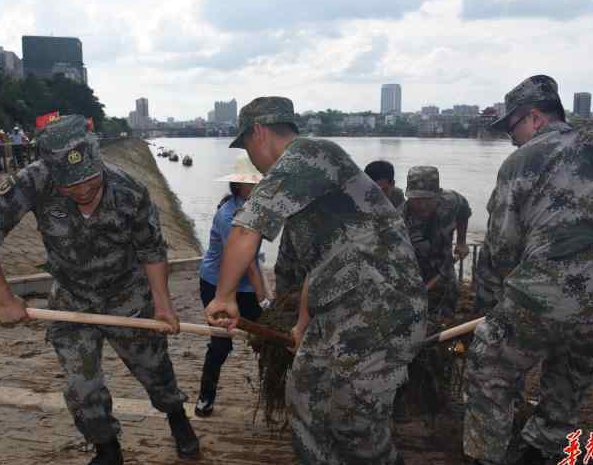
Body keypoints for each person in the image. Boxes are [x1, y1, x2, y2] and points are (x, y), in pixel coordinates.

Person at [0, 115, 199, 464]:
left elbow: (152, 251)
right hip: (72, 300)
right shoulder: (32, 182)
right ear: (51, 172)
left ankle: (177, 418)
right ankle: (107, 448)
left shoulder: (130, 189)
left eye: (90, 180)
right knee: (81, 386)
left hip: (127, 297)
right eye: (70, 186)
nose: (83, 191)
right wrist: (2, 297)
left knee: (154, 369)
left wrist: (163, 306)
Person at [204, 97, 426, 465]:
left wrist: (223, 296)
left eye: (246, 147)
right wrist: (302, 326)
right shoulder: (306, 186)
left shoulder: (310, 155)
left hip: (384, 312)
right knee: (304, 396)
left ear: (258, 133)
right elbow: (318, 265)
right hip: (342, 309)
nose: (253, 160)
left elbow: (246, 230)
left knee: (357, 425)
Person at [463, 75, 593, 465]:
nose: (511, 138)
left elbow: (502, 248)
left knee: (490, 368)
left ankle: (486, 457)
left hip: (544, 294)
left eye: (511, 127)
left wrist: (496, 301)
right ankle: (543, 448)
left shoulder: (519, 163)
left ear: (534, 118)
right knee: (569, 378)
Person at [195, 154, 269, 418]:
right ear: (239, 186)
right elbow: (246, 262)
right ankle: (205, 396)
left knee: (268, 339)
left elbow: (254, 264)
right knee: (221, 343)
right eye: (253, 183)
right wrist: (265, 301)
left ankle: (274, 394)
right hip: (218, 285)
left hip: (247, 284)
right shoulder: (230, 215)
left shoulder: (258, 209)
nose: (259, 187)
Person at [403, 166, 471, 316]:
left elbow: (464, 211)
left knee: (447, 313)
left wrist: (461, 241)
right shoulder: (399, 219)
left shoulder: (452, 201)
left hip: (445, 269)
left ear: (439, 194)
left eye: (428, 199)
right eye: (416, 199)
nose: (422, 205)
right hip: (414, 276)